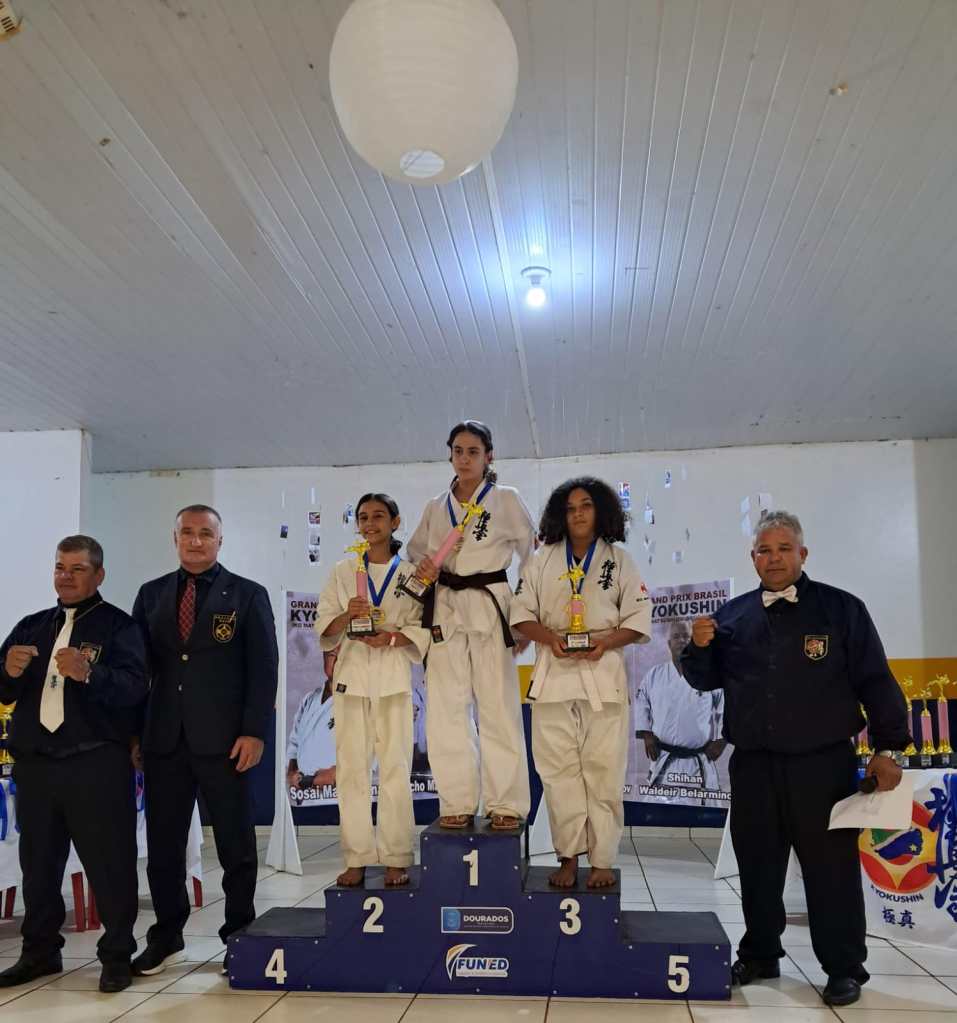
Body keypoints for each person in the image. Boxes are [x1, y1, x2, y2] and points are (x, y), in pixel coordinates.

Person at [681, 510, 910, 1008]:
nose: (774, 558)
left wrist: (888, 749)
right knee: (757, 867)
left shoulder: (842, 610)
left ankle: (844, 967)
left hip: (821, 766)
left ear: (802, 554)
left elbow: (876, 680)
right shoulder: (732, 617)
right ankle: (761, 953)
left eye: (784, 549)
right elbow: (704, 679)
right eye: (765, 550)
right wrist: (697, 649)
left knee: (831, 871)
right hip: (754, 765)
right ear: (753, 559)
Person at [131, 505, 278, 976]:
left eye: (205, 533)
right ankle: (166, 936)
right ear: (174, 538)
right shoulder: (151, 595)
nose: (196, 541)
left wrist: (254, 731)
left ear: (220, 540)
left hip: (226, 741)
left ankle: (239, 934)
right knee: (165, 846)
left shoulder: (248, 594)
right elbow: (138, 670)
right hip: (164, 740)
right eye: (187, 533)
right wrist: (135, 733)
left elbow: (263, 668)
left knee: (236, 845)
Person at [0, 536, 147, 993]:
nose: (66, 576)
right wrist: (7, 672)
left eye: (78, 569)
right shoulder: (30, 626)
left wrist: (90, 673)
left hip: (96, 763)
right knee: (38, 868)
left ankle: (117, 955)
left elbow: (136, 689)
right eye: (60, 568)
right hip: (37, 767)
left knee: (110, 865)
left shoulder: (120, 627)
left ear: (98, 574)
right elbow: (3, 690)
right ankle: (40, 952)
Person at [511, 477, 651, 887]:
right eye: (570, 508)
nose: (578, 514)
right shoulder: (541, 561)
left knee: (604, 771)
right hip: (553, 677)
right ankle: (568, 857)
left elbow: (638, 619)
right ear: (561, 515)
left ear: (600, 510)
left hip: (602, 675)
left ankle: (603, 859)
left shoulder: (619, 561)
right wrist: (548, 638)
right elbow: (520, 614)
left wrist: (606, 642)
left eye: (586, 505)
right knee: (558, 775)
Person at [407, 420, 535, 830]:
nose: (464, 459)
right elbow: (413, 555)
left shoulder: (506, 499)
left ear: (488, 457)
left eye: (473, 452)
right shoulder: (435, 507)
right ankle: (457, 801)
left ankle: (506, 804)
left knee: (498, 707)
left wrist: (523, 618)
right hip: (445, 608)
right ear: (450, 455)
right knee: (446, 709)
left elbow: (532, 559)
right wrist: (424, 568)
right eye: (458, 451)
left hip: (489, 605)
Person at [315, 493, 429, 886]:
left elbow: (421, 626)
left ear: (395, 523)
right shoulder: (342, 571)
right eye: (363, 517)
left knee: (396, 769)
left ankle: (397, 856)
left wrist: (393, 637)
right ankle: (357, 856)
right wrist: (347, 614)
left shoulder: (410, 574)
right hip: (351, 680)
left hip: (393, 679)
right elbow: (325, 628)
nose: (370, 523)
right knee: (351, 771)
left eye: (378, 516)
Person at [635, 620, 725, 802]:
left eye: (686, 636)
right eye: (676, 636)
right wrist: (646, 734)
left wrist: (722, 740)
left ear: (694, 641)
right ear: (669, 644)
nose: (682, 640)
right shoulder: (655, 674)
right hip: (663, 759)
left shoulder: (709, 673)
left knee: (704, 815)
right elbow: (641, 700)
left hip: (699, 763)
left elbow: (726, 705)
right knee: (657, 814)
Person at [286, 656, 338, 800]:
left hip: (337, 792)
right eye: (331, 655)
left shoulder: (360, 699)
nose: (336, 661)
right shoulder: (310, 698)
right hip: (303, 792)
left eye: (342, 655)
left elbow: (372, 750)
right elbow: (294, 743)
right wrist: (292, 772)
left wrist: (337, 773)